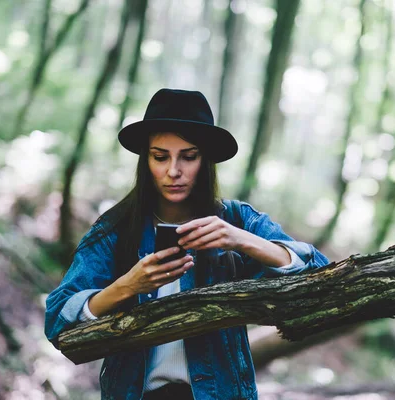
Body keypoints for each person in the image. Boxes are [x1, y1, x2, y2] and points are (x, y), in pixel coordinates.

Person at [44, 88, 330, 400]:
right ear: (145, 160)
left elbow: (321, 275)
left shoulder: (237, 219)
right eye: (160, 156)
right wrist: (128, 286)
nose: (173, 171)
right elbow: (58, 319)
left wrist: (240, 239)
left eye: (188, 157)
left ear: (205, 160)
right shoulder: (116, 229)